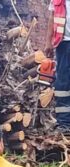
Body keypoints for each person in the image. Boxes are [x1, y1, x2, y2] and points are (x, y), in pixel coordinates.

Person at [45, 0, 70, 132]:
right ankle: (64, 123)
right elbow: (52, 18)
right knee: (63, 84)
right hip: (63, 44)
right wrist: (48, 42)